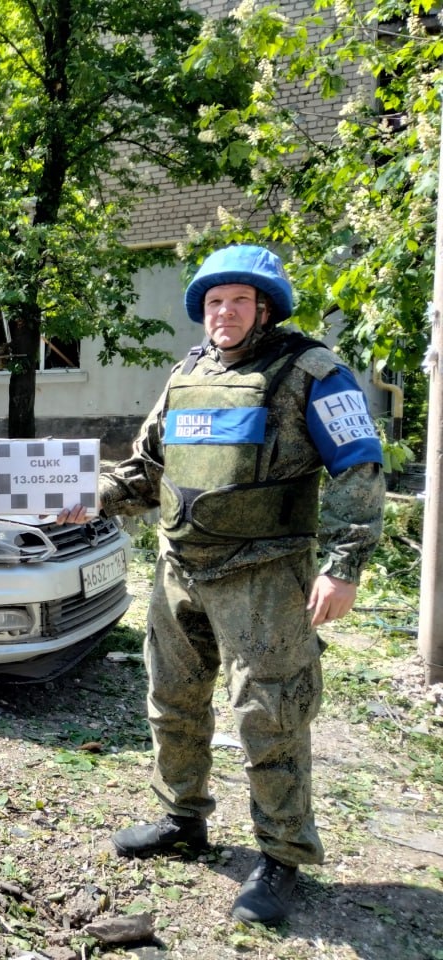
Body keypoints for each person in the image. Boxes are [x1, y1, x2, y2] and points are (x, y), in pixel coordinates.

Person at [58, 244, 385, 925]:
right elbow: (148, 468)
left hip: (265, 577)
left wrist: (344, 566)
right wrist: (82, 493)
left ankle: (282, 855)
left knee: (271, 715)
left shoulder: (311, 371)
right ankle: (183, 818)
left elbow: (357, 466)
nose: (224, 312)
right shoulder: (187, 375)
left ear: (265, 308)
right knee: (172, 701)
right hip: (181, 569)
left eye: (239, 300)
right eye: (214, 301)